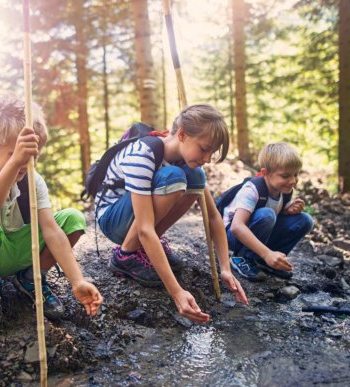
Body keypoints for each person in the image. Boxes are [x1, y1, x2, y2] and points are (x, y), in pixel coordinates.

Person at [0, 94, 102, 327]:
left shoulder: (34, 181)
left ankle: (31, 277)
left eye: (32, 157)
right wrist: (14, 164)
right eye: (14, 154)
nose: (25, 164)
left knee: (72, 219)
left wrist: (77, 281)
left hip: (21, 252)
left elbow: (51, 231)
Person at [96, 104, 248, 324]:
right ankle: (126, 254)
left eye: (211, 153)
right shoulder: (143, 154)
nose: (207, 158)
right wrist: (177, 292)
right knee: (174, 177)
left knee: (194, 176)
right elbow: (145, 229)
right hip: (112, 218)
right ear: (182, 134)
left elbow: (213, 217)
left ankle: (146, 250)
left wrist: (225, 268)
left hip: (139, 220)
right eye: (204, 149)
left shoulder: (187, 160)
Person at [224, 142, 314, 282]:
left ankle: (271, 261)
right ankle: (241, 257)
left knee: (304, 220)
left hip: (257, 231)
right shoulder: (252, 190)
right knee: (267, 215)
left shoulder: (284, 190)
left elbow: (273, 214)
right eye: (285, 176)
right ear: (265, 173)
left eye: (295, 174)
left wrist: (286, 211)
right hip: (232, 235)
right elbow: (237, 226)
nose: (293, 181)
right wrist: (266, 253)